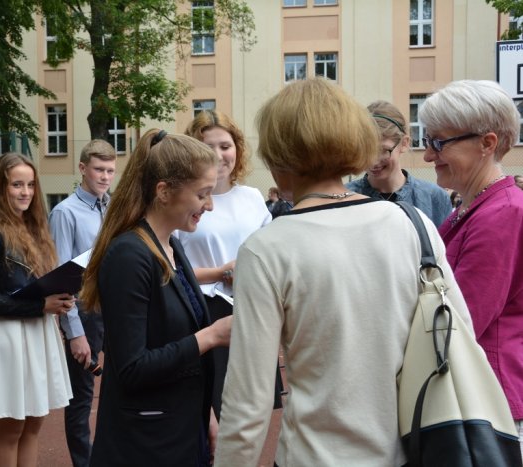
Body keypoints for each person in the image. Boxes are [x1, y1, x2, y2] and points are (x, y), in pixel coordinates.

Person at [213, 78, 472, 466]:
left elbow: (248, 402)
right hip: (406, 450)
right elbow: (458, 331)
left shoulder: (266, 249)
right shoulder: (412, 224)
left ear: (279, 155)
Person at [80, 129, 232, 466]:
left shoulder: (170, 245)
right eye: (202, 194)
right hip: (146, 444)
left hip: (179, 428)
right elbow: (132, 368)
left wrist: (206, 415)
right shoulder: (129, 255)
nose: (209, 205)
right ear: (163, 191)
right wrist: (211, 336)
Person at [419, 79, 523, 457]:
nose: (428, 155)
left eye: (439, 142)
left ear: (487, 143)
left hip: (490, 403)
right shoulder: (474, 207)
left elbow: (461, 322)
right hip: (482, 395)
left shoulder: (501, 213)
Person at [0, 152, 74, 467]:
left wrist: (62, 294)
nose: (25, 192)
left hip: (39, 330)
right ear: (2, 188)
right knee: (12, 427)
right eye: (17, 185)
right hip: (9, 335)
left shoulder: (37, 228)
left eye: (30, 184)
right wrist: (41, 304)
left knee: (34, 423)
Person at [181, 110, 280, 419]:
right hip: (205, 313)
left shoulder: (252, 197)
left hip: (251, 309)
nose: (218, 155)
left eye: (225, 146)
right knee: (214, 412)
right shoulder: (183, 200)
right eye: (208, 147)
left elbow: (271, 253)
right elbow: (169, 269)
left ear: (237, 148)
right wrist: (222, 273)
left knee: (254, 410)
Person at [47, 139, 116, 467]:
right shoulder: (64, 213)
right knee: (81, 398)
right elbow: (61, 279)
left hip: (115, 309)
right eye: (99, 170)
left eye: (110, 171)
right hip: (85, 311)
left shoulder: (113, 208)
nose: (105, 177)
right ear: (82, 169)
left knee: (118, 390)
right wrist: (74, 332)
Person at [345, 100, 451, 226]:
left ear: (404, 144)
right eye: (366, 150)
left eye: (383, 150)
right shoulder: (344, 198)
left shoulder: (434, 198)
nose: (373, 161)